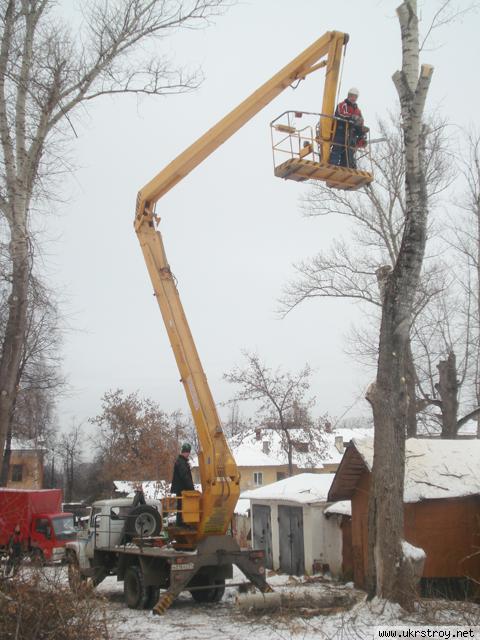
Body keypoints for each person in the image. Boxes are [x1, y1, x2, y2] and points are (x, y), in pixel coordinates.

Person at [329, 87, 368, 169]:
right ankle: (333, 165)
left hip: (350, 134)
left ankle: (346, 167)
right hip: (341, 130)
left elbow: (361, 122)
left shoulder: (357, 110)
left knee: (348, 152)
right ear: (349, 96)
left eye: (355, 97)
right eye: (352, 96)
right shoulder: (342, 105)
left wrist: (362, 135)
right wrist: (352, 117)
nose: (353, 98)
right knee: (337, 147)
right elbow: (340, 114)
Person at [170, 442, 194, 527]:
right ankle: (181, 523)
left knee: (181, 505)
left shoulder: (181, 461)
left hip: (181, 489)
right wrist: (191, 489)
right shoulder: (181, 462)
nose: (188, 454)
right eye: (188, 452)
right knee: (182, 505)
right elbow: (185, 476)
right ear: (185, 452)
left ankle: (181, 523)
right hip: (182, 489)